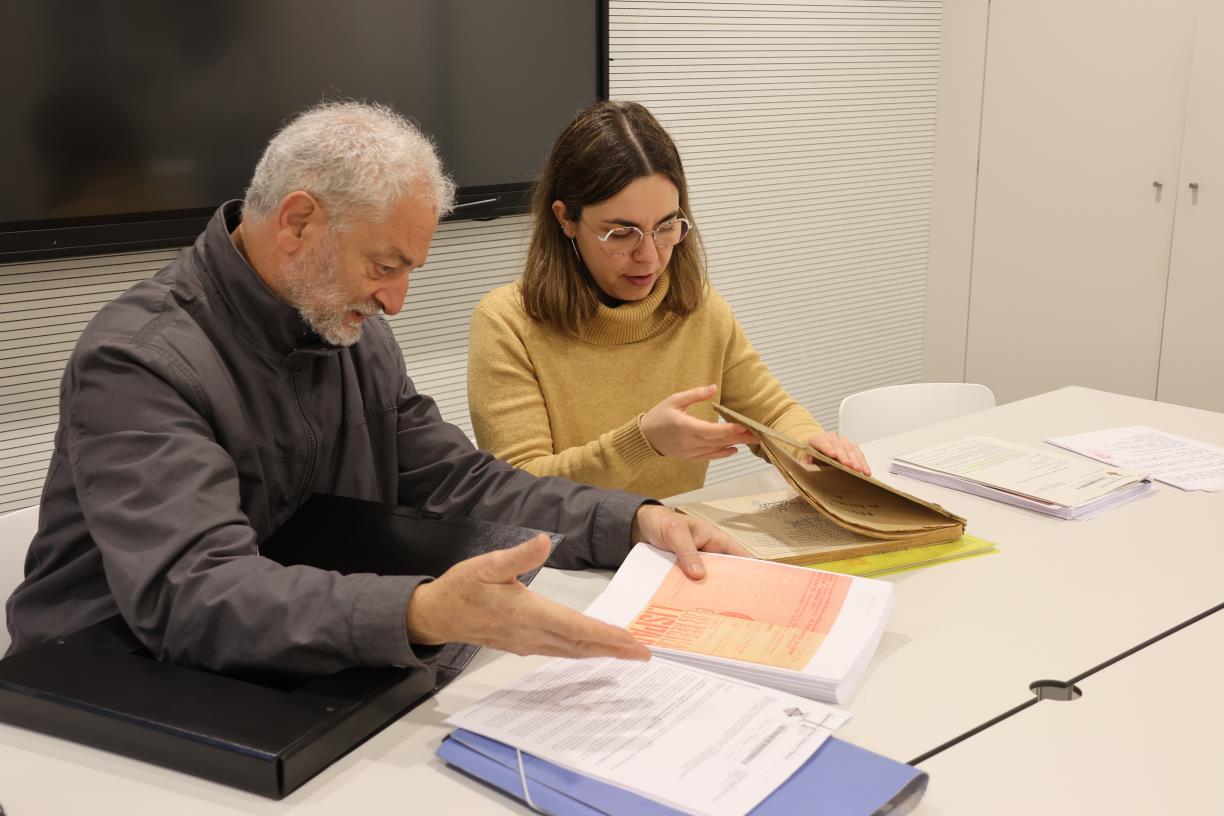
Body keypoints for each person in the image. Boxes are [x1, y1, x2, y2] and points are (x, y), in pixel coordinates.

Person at [4, 101, 748, 674]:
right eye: (384, 265)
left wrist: (632, 522)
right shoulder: (140, 362)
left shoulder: (348, 331)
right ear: (298, 221)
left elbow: (458, 483)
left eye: (408, 272)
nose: (396, 301)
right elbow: (193, 592)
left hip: (290, 655)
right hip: (108, 682)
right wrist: (419, 612)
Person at [467, 100, 869, 498]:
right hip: (565, 557)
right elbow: (522, 493)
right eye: (621, 234)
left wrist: (810, 446)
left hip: (673, 544)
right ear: (565, 219)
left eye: (666, 227)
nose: (650, 256)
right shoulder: (508, 324)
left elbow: (773, 413)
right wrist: (642, 441)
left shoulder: (700, 310)